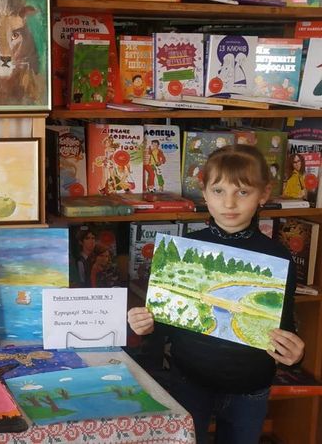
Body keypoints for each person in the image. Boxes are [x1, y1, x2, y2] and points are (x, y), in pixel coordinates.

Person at [128, 144, 304, 444]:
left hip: (249, 389)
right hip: (189, 383)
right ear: (204, 193)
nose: (229, 203)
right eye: (218, 191)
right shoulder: (185, 248)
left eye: (243, 192)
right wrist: (146, 324)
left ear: (264, 194)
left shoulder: (277, 257)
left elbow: (282, 326)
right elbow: (169, 321)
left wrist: (295, 355)